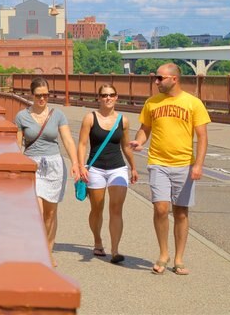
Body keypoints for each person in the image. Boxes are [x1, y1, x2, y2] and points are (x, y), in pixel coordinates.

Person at [130, 62, 210, 276]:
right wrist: (139, 142)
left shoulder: (193, 103)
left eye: (160, 78)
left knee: (181, 213)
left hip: (184, 164)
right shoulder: (152, 103)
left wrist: (199, 165)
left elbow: (202, 137)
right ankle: (163, 254)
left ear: (174, 79)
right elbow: (144, 129)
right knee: (161, 209)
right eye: (155, 78)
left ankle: (179, 258)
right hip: (158, 162)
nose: (156, 82)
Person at [15, 77, 79, 267]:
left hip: (54, 165)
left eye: (45, 95)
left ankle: (48, 250)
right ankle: (38, 249)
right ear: (31, 95)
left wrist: (75, 163)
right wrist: (16, 167)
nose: (42, 99)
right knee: (37, 209)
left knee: (51, 213)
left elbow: (67, 140)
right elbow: (18, 144)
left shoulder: (57, 115)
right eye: (38, 96)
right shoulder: (22, 116)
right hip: (32, 164)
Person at [78, 84, 138, 264]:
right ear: (99, 98)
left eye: (111, 95)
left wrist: (133, 167)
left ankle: (115, 250)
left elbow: (126, 146)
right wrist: (81, 166)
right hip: (95, 168)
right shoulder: (90, 118)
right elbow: (82, 144)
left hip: (117, 168)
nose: (108, 98)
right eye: (104, 95)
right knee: (97, 208)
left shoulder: (123, 120)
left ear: (117, 97)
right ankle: (97, 240)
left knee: (116, 208)